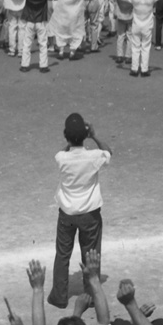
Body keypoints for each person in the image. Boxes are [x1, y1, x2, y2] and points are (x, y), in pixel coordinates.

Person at [47, 113, 112, 310]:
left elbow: (63, 152)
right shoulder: (94, 157)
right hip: (90, 214)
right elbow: (108, 152)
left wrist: (72, 140)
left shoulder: (61, 158)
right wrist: (94, 135)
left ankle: (59, 296)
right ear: (84, 135)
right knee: (91, 253)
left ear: (66, 135)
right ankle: (91, 295)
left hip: (67, 214)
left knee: (62, 254)